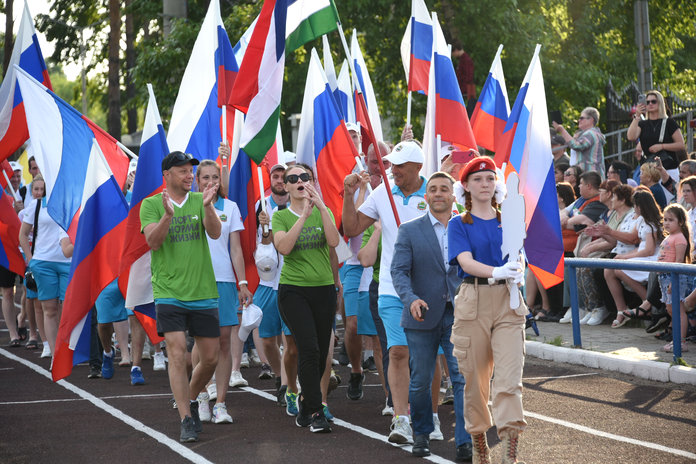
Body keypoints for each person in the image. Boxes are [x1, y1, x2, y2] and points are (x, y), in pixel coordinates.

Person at [343, 140, 429, 444]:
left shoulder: (434, 191)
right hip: (393, 289)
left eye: (399, 165)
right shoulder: (382, 193)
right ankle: (400, 417)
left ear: (417, 167)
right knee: (398, 351)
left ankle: (426, 415)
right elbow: (352, 228)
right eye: (390, 164)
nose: (392, 170)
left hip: (430, 288)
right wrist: (347, 194)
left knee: (426, 357)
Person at [448, 156, 527, 464]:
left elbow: (518, 255)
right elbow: (465, 262)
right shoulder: (459, 223)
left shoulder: (508, 218)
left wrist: (517, 269)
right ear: (466, 186)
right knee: (475, 383)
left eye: (490, 178)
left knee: (509, 381)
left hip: (508, 302)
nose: (485, 184)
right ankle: (481, 447)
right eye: (478, 179)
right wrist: (497, 271)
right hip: (473, 302)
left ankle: (509, 451)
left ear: (498, 185)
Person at [140, 151, 222, 443]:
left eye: (191, 171)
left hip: (202, 291)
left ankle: (186, 398)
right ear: (167, 175)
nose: (190, 176)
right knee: (177, 354)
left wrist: (209, 207)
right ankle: (186, 417)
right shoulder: (151, 205)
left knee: (211, 358)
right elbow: (154, 241)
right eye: (184, 171)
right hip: (169, 292)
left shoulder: (200, 201)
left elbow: (215, 233)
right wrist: (167, 216)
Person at [391, 172, 472, 460]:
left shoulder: (467, 227)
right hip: (421, 315)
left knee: (462, 378)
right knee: (420, 380)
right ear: (426, 196)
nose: (438, 193)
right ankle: (422, 434)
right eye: (433, 189)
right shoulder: (410, 229)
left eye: (444, 189)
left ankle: (464, 441)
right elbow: (398, 271)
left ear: (453, 196)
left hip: (461, 315)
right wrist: (410, 298)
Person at [272, 165, 340, 433]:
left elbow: (334, 242)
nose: (299, 181)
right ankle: (315, 411)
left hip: (323, 289)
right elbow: (285, 248)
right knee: (308, 348)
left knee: (322, 353)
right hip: (293, 291)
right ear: (286, 187)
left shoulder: (324, 211)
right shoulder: (281, 217)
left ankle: (304, 404)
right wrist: (303, 217)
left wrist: (322, 209)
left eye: (305, 177)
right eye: (293, 179)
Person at [193, 158, 253, 424]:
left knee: (224, 343)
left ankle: (221, 403)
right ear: (197, 181)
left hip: (226, 282)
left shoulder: (230, 207)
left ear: (220, 180)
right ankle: (202, 395)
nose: (210, 182)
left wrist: (242, 282)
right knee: (202, 343)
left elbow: (236, 249)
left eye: (214, 178)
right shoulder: (191, 205)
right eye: (205, 178)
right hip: (197, 282)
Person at [18, 174, 71, 358]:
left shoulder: (69, 200)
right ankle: (56, 353)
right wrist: (31, 259)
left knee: (66, 309)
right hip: (43, 263)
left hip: (67, 262)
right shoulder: (37, 205)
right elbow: (23, 235)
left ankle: (65, 347)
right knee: (49, 309)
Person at [605, 188, 663, 327]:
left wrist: (625, 257)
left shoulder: (651, 223)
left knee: (620, 269)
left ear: (640, 206)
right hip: (642, 254)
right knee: (609, 268)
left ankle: (647, 303)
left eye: (635, 205)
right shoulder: (641, 220)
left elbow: (649, 250)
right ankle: (621, 309)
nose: (634, 208)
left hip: (652, 257)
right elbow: (637, 243)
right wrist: (623, 256)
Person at [655, 204, 691, 353]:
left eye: (671, 220)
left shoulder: (680, 238)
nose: (667, 223)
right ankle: (676, 339)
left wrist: (672, 281)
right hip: (664, 277)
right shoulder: (670, 237)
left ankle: (681, 341)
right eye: (665, 219)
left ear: (680, 222)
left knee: (677, 309)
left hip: (673, 277)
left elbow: (679, 261)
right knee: (671, 309)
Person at [628, 90, 686, 173]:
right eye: (647, 102)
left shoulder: (669, 122)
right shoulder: (642, 124)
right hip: (649, 169)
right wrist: (637, 116)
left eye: (653, 101)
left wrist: (661, 146)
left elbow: (681, 145)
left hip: (668, 168)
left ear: (660, 103)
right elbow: (631, 137)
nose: (650, 104)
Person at [553, 107, 606, 178]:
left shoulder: (591, 133)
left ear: (591, 120)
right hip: (590, 177)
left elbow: (576, 146)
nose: (579, 120)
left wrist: (562, 130)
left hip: (591, 177)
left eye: (581, 118)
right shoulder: (589, 134)